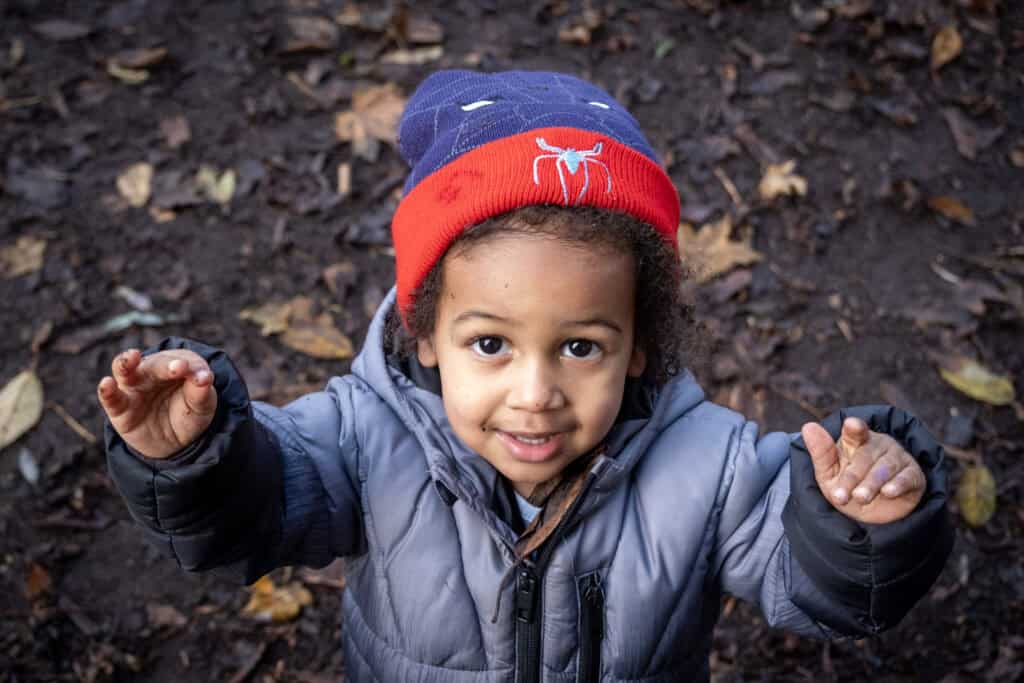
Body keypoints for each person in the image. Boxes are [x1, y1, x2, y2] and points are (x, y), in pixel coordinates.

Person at [98, 70, 953, 682]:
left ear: (641, 344)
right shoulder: (365, 438)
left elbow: (819, 583)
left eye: (581, 346)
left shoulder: (713, 466)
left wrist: (863, 527)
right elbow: (260, 506)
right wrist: (195, 457)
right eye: (491, 345)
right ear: (425, 331)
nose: (535, 392)